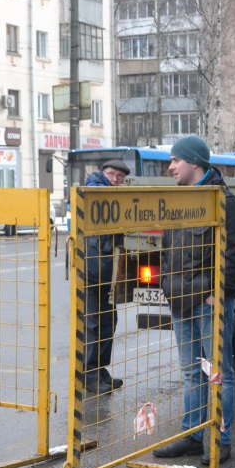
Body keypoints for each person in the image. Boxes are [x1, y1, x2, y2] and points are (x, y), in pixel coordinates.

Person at [152, 135, 235, 464]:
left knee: (217, 372)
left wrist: (218, 295)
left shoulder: (224, 202)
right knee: (192, 373)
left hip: (209, 305)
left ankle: (221, 440)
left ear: (194, 163)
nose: (170, 167)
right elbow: (168, 252)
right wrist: (168, 286)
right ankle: (193, 436)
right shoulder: (178, 201)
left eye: (175, 161)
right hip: (181, 302)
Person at [82, 158, 130, 395]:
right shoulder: (93, 189)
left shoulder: (117, 197)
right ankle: (89, 375)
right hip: (91, 273)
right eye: (111, 174)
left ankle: (100, 370)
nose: (115, 179)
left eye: (120, 177)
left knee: (109, 323)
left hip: (108, 275)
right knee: (92, 324)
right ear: (102, 173)